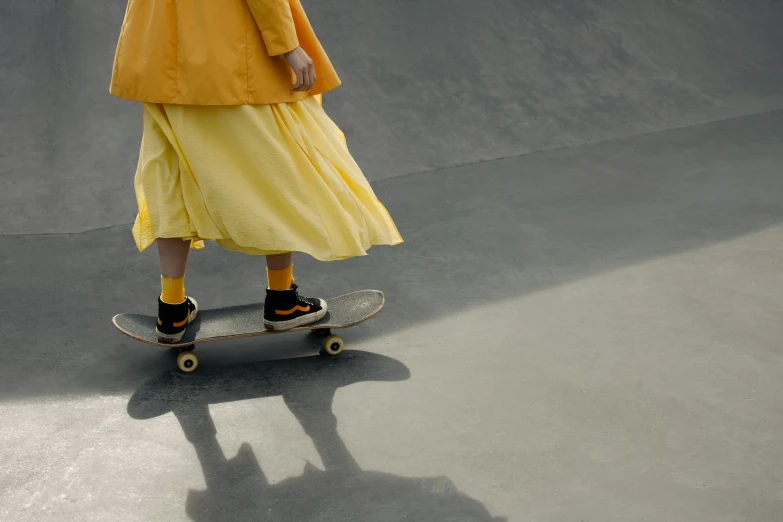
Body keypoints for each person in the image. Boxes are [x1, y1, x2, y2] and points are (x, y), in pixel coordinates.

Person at [109, 0, 403, 343]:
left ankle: (172, 308)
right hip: (232, 59)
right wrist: (288, 46)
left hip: (162, 60)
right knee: (275, 172)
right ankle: (282, 301)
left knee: (171, 178)